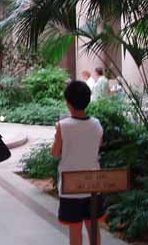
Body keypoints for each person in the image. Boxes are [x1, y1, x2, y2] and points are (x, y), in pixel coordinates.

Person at [52, 80, 104, 245]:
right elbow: (98, 145)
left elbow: (54, 153)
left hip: (71, 187)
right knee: (93, 229)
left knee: (75, 232)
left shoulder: (63, 126)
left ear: (68, 103)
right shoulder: (96, 124)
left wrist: (57, 135)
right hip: (93, 186)